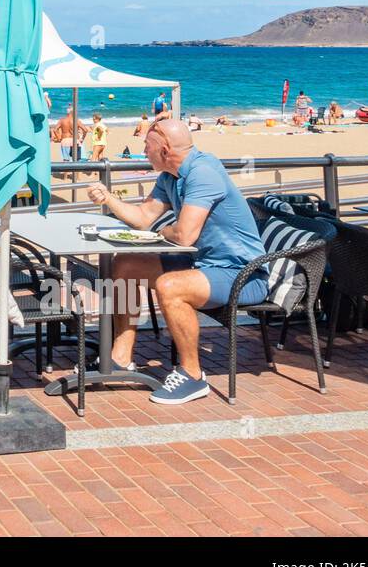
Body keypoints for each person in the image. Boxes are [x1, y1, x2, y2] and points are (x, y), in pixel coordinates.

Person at [84, 119, 267, 405]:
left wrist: (162, 232)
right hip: (204, 265)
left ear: (165, 149)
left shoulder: (203, 173)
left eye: (147, 146)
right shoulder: (170, 176)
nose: (143, 151)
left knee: (171, 286)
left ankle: (193, 376)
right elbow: (144, 218)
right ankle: (120, 358)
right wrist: (108, 199)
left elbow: (183, 235)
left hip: (242, 274)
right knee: (125, 265)